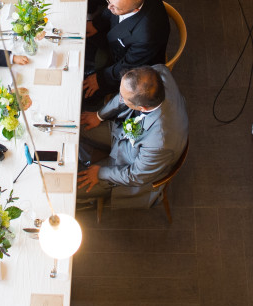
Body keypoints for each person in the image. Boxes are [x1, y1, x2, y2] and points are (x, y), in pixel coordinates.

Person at [77, 64, 188, 208]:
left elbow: (135, 175)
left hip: (128, 164)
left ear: (142, 108)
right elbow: (127, 93)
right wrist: (99, 115)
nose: (120, 97)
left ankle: (87, 202)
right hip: (124, 130)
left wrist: (100, 173)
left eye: (124, 98)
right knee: (75, 125)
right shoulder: (159, 72)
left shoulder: (159, 143)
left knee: (73, 186)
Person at [82, 0, 170, 106]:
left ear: (134, 10)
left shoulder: (147, 35)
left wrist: (100, 79)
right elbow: (112, 7)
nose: (109, 8)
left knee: (85, 93)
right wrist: (96, 24)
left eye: (115, 8)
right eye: (109, 1)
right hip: (116, 35)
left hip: (131, 64)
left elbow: (129, 65)